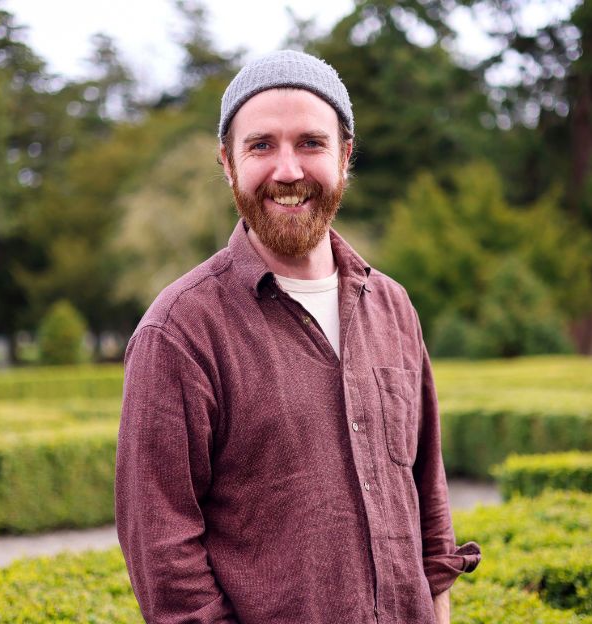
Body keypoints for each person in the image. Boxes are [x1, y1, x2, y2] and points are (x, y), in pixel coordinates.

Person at [115, 49, 481, 624]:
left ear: (345, 155)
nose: (287, 170)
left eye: (311, 142)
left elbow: (426, 492)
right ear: (229, 164)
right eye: (261, 146)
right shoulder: (179, 332)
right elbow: (163, 555)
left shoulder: (393, 306)